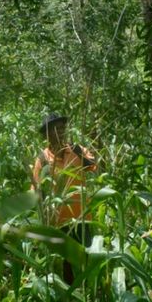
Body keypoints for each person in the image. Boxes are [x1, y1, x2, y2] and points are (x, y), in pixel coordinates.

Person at [32, 112, 97, 284]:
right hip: (58, 224)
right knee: (65, 267)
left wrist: (83, 155)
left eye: (63, 128)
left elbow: (95, 167)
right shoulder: (43, 160)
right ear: (47, 135)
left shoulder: (77, 150)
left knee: (85, 260)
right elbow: (36, 192)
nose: (61, 132)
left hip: (83, 219)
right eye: (56, 129)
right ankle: (70, 301)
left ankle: (88, 297)